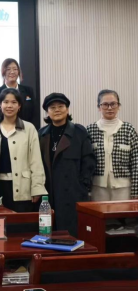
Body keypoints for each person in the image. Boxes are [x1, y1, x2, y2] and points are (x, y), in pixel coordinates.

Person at [39, 93, 96, 237]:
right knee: (49, 231)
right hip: (49, 192)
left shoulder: (79, 132)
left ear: (67, 109)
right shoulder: (41, 134)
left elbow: (89, 160)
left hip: (73, 191)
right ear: (47, 112)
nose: (57, 110)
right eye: (52, 107)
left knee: (71, 233)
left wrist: (83, 184)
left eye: (61, 106)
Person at [0, 88, 47, 212]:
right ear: (0, 105)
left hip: (23, 186)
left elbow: (36, 160)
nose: (9, 106)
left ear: (19, 106)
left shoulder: (29, 128)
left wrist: (37, 187)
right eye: (6, 102)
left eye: (14, 102)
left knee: (21, 222)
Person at [87, 90, 138, 201]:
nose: (109, 108)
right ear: (99, 107)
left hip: (124, 189)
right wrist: (87, 190)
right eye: (105, 104)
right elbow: (86, 163)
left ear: (118, 106)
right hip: (97, 188)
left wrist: (135, 191)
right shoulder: (90, 130)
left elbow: (136, 163)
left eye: (113, 104)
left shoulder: (128, 129)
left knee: (123, 212)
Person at [0, 58, 37, 127]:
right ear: (3, 71)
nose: (12, 72)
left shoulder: (28, 91)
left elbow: (34, 113)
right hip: (4, 130)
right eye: (8, 69)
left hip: (26, 129)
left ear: (19, 71)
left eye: (15, 69)